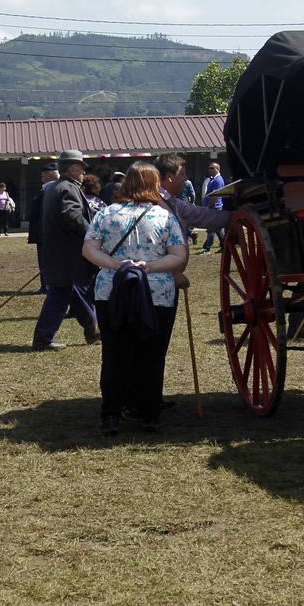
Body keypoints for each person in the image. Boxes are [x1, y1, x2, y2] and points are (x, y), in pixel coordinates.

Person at [82, 162, 188, 433]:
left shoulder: (106, 214)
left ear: (127, 183)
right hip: (158, 294)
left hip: (112, 291)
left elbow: (89, 250)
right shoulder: (164, 216)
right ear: (155, 185)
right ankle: (149, 413)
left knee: (115, 355)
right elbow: (179, 256)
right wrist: (149, 266)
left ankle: (111, 415)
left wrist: (117, 265)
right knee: (152, 355)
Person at [32, 149, 99, 351]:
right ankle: (44, 338)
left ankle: (91, 328)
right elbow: (73, 217)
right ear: (72, 168)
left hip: (56, 253)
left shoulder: (53, 188)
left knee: (68, 292)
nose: (83, 173)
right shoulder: (68, 188)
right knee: (62, 293)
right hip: (67, 254)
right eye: (81, 169)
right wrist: (93, 235)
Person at [27, 164, 59, 292]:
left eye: (43, 175)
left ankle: (47, 285)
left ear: (49, 175)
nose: (41, 178)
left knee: (46, 260)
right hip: (45, 232)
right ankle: (47, 284)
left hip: (45, 233)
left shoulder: (50, 190)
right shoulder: (49, 190)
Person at [198, 161, 227, 254]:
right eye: (209, 168)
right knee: (218, 229)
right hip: (214, 207)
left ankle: (206, 248)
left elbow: (215, 196)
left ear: (217, 169)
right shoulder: (213, 179)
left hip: (214, 207)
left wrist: (209, 207)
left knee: (211, 229)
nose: (209, 170)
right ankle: (225, 246)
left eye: (212, 168)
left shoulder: (218, 180)